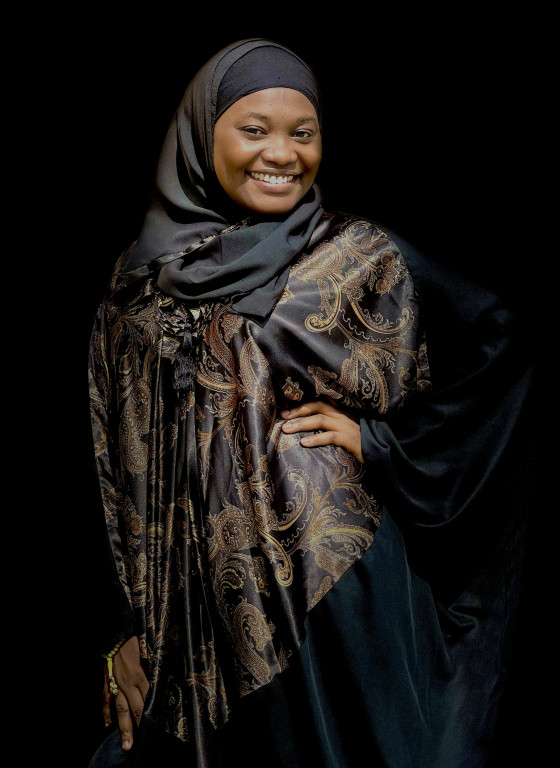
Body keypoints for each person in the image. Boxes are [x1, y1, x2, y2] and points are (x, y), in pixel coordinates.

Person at [87, 38, 534, 767]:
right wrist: (126, 626)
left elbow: (499, 336)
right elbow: (115, 463)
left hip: (335, 597)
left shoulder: (356, 255)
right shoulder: (137, 285)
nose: (283, 154)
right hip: (197, 622)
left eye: (304, 133)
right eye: (254, 129)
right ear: (201, 135)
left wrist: (382, 445)